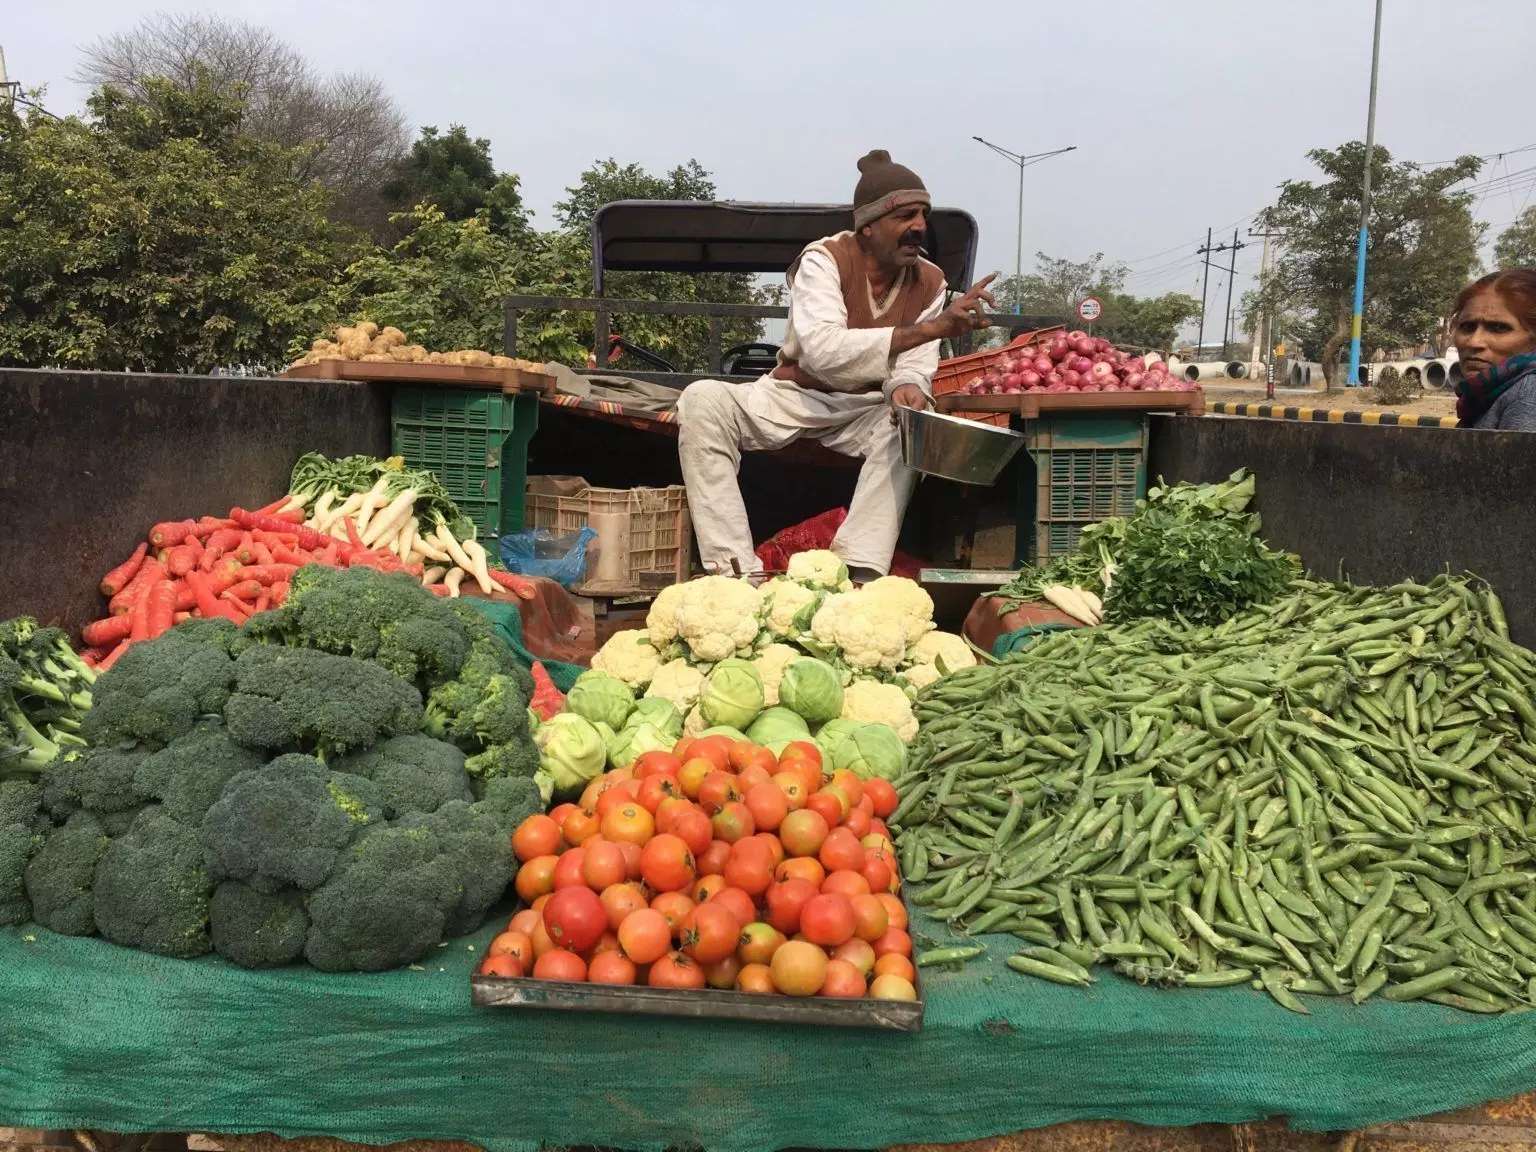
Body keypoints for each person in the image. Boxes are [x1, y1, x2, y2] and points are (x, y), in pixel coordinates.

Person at [676, 150, 995, 583]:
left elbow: (916, 364)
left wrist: (908, 386)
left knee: (912, 421)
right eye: (905, 216)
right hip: (792, 396)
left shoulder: (932, 281)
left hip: (863, 409)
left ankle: (858, 569)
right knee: (702, 399)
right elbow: (823, 350)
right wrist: (935, 328)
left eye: (923, 214)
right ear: (867, 227)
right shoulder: (823, 259)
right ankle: (734, 572)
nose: (919, 226)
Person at [1451, 268, 1536, 430]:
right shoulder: (1487, 396)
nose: (1474, 342)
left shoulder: (1526, 397)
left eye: (1498, 327)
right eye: (1467, 326)